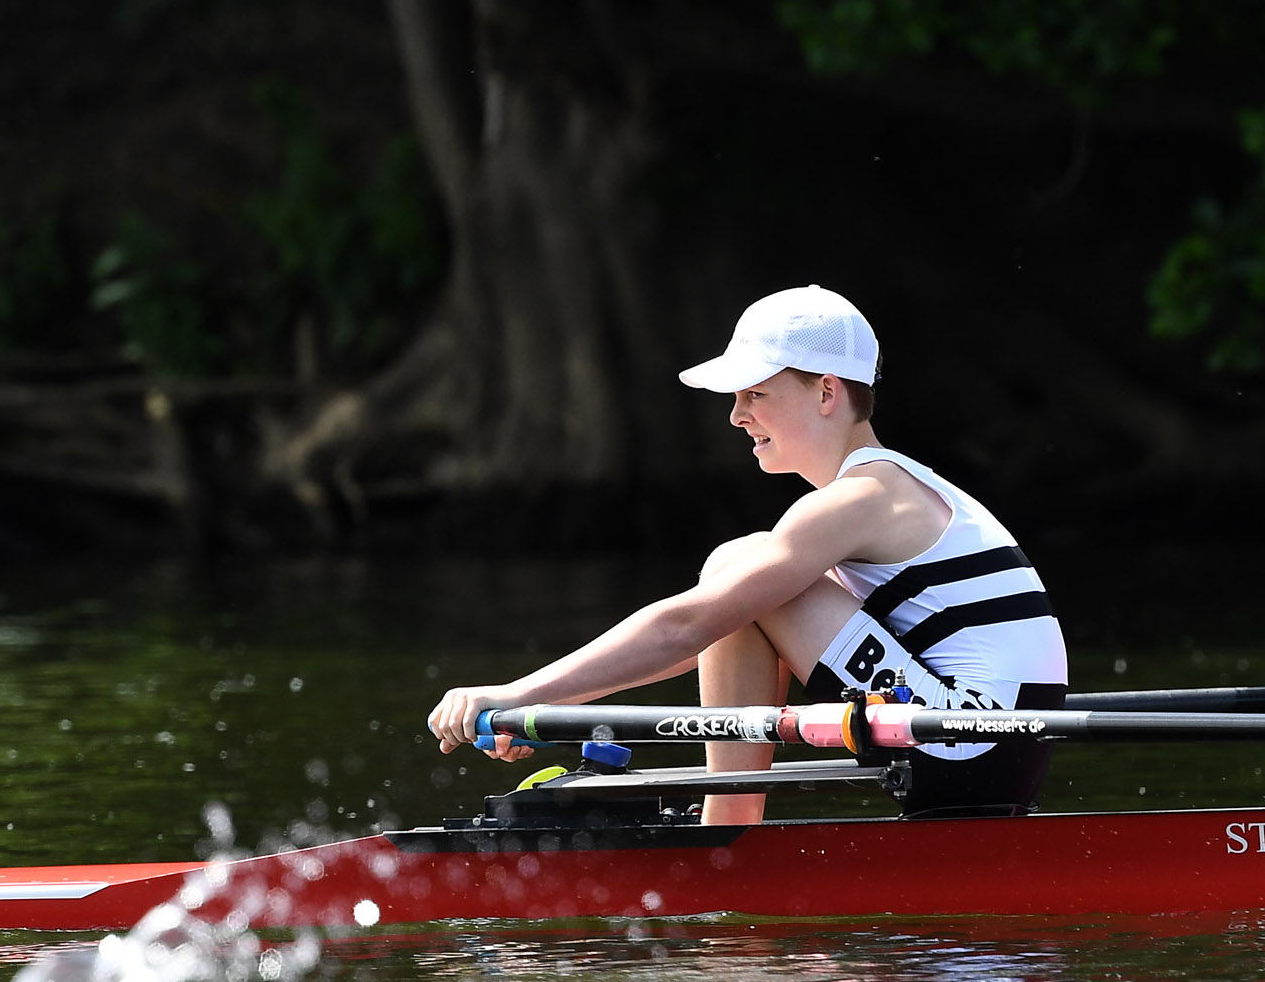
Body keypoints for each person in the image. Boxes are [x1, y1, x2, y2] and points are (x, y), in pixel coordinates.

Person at [425, 285, 1070, 822]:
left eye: (755, 394)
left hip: (967, 745)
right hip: (993, 747)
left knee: (738, 572)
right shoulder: (892, 485)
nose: (736, 417)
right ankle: (728, 824)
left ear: (826, 392)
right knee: (746, 578)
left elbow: (688, 626)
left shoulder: (862, 498)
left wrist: (520, 696)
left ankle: (727, 835)